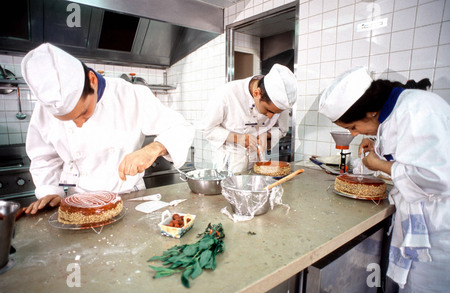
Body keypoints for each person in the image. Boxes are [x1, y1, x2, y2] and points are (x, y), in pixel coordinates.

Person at [318, 66, 450, 293]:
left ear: (370, 112)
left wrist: (380, 165)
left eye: (353, 127)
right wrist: (377, 145)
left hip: (438, 228)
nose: (355, 133)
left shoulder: (419, 110)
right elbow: (410, 154)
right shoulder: (398, 109)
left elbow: (438, 178)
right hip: (419, 219)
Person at [22, 43, 194, 214]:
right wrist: (49, 191)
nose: (79, 124)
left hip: (129, 200)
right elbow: (44, 158)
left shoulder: (131, 94)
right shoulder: (43, 110)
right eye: (69, 120)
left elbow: (181, 127)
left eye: (82, 113)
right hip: (79, 203)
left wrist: (154, 148)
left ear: (92, 80)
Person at [201, 63, 297, 173]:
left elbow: (282, 130)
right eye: (268, 110)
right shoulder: (226, 94)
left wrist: (267, 135)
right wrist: (238, 138)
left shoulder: (279, 101)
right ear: (257, 93)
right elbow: (207, 129)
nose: (271, 116)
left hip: (259, 161)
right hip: (230, 163)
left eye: (276, 113)